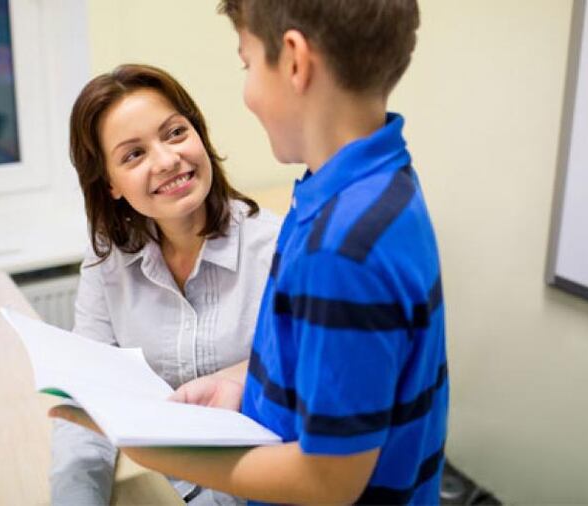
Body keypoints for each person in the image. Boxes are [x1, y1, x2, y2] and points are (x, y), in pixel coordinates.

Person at [52, 1, 449, 504]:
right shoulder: (361, 191)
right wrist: (242, 385)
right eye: (133, 153)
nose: (247, 95)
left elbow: (327, 480)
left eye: (246, 63)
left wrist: (152, 446)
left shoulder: (341, 245)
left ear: (294, 62)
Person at [50, 63, 280, 505]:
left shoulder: (279, 251)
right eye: (133, 154)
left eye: (175, 133)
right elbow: (86, 409)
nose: (167, 159)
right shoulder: (108, 260)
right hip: (159, 487)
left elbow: (296, 424)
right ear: (111, 184)